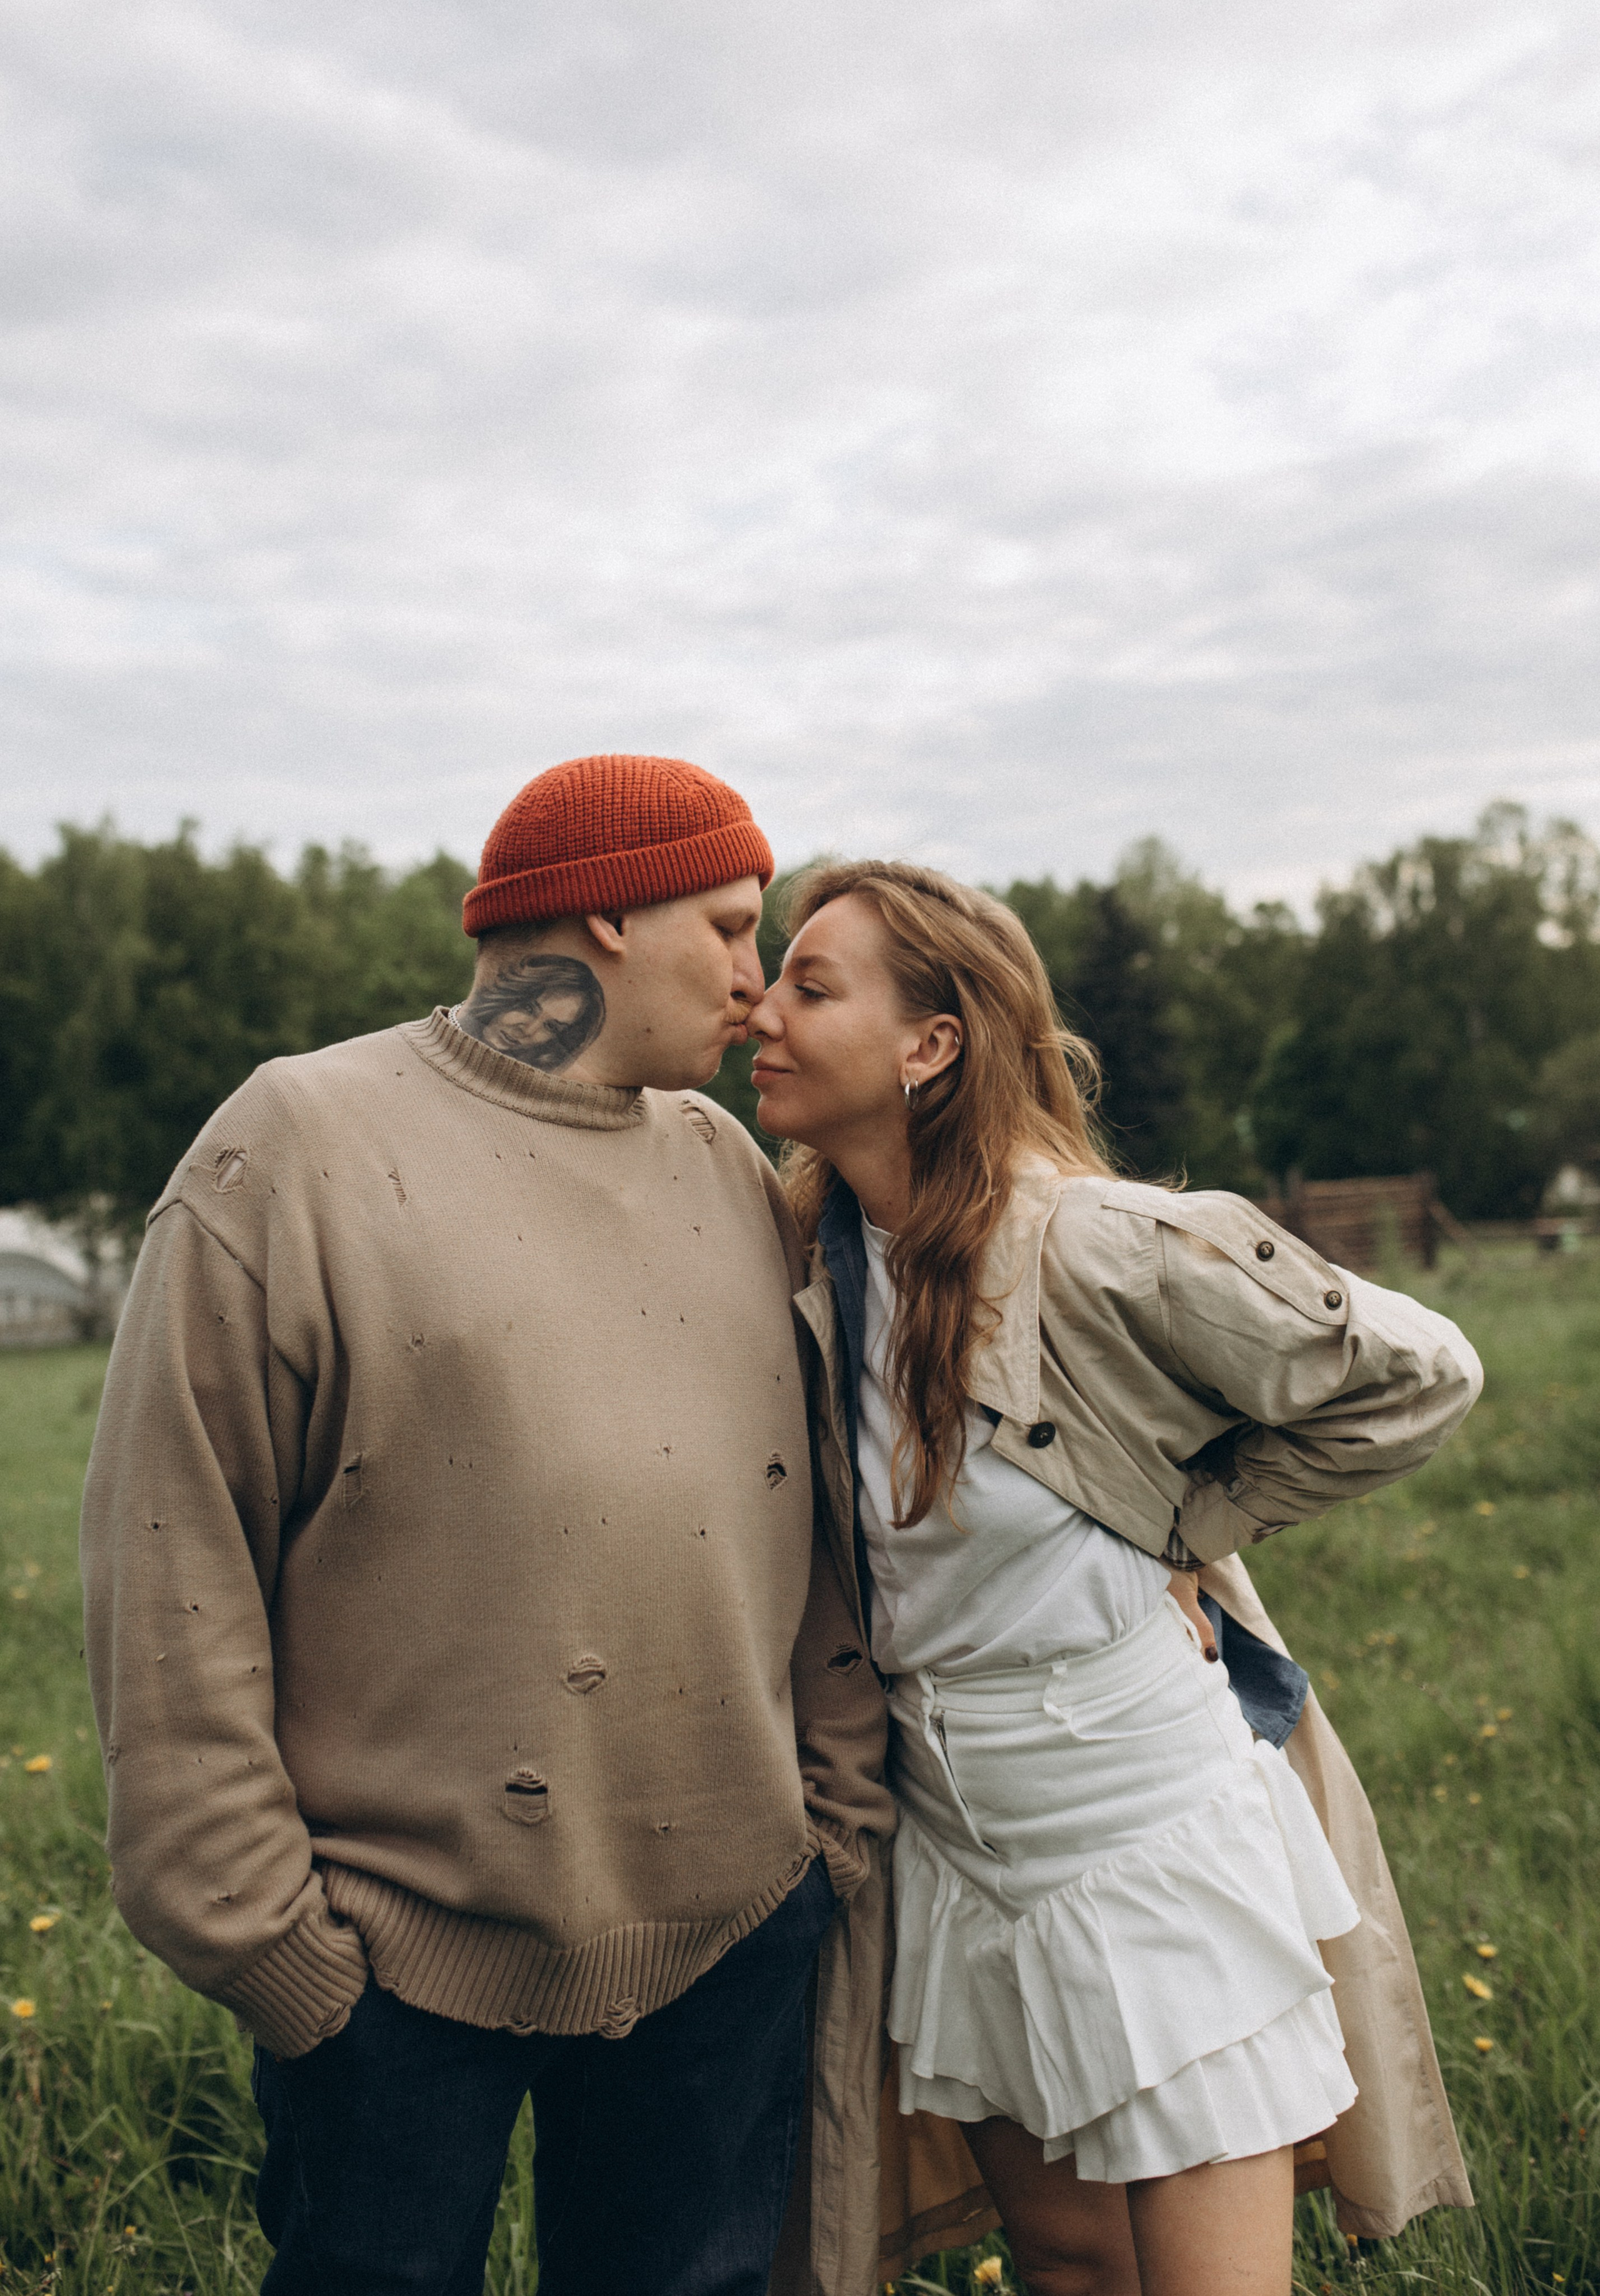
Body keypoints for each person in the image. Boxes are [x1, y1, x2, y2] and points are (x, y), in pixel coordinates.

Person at [79, 756, 893, 2296]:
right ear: (600, 917)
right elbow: (169, 1555)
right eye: (728, 927)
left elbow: (819, 1501)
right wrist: (273, 1947)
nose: (755, 982)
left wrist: (829, 1834)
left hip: (724, 1939)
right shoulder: (296, 1147)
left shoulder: (721, 1162)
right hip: (389, 1967)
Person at [749, 860, 1481, 2296]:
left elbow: (1421, 1375)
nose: (755, 1008)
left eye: (807, 986)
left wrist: (1191, 1518)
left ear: (929, 1043)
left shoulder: (1094, 1242)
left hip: (1140, 1835)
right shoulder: (808, 1253)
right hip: (958, 1847)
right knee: (1070, 2263)